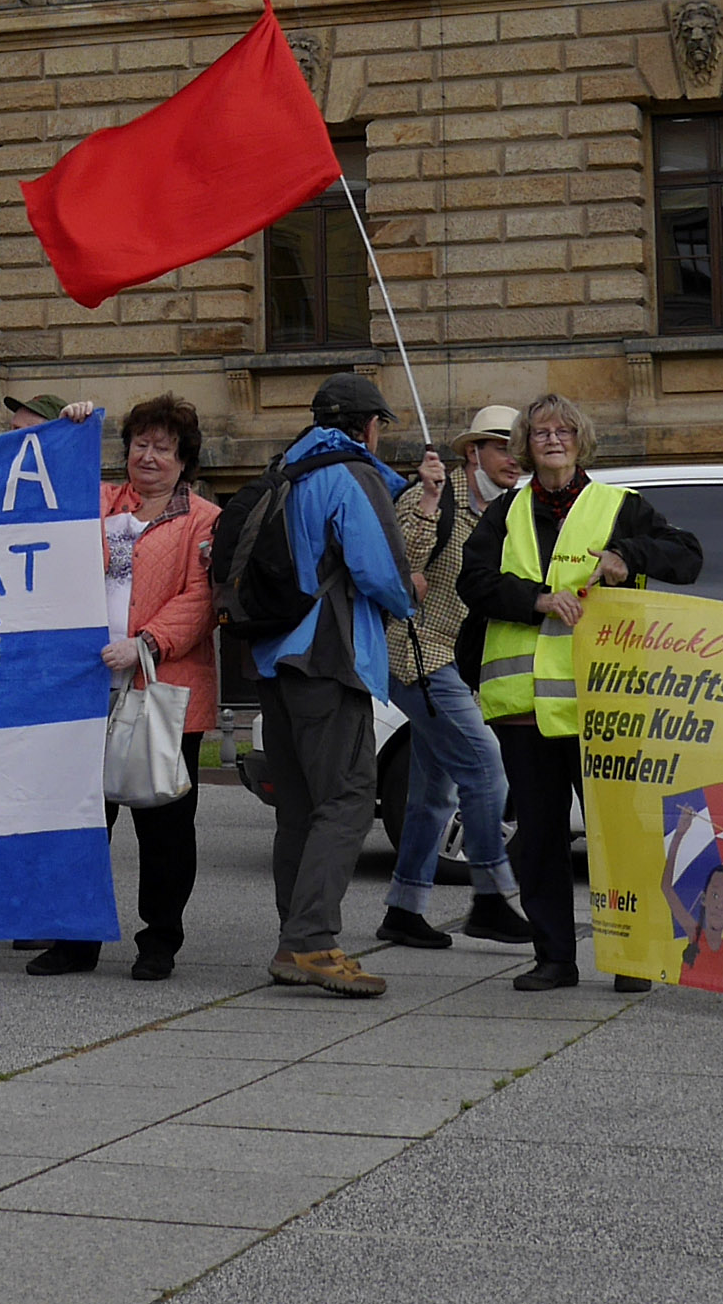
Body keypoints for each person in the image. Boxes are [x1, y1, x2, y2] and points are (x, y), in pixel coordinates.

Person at [461, 392, 701, 992]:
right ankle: (554, 959)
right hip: (527, 713)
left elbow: (688, 557)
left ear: (581, 440)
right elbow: (475, 581)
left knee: (619, 837)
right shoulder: (506, 512)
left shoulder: (620, 507)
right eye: (540, 432)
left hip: (605, 707)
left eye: (564, 430)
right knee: (540, 840)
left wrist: (627, 556)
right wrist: (537, 598)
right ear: (526, 444)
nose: (552, 440)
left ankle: (630, 959)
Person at [30, 393, 217, 980]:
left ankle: (158, 940)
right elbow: (46, 495)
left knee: (163, 827)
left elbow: (201, 598)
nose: (150, 456)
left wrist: (147, 643)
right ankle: (75, 939)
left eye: (164, 447)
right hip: (87, 689)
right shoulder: (103, 501)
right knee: (83, 821)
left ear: (184, 459)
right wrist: (70, 430)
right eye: (141, 444)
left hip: (162, 691)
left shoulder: (204, 520)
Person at [250, 372, 415, 998]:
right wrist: (409, 600)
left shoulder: (282, 472)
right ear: (367, 426)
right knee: (346, 799)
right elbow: (381, 571)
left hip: (272, 662)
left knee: (297, 810)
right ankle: (314, 941)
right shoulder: (350, 471)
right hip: (328, 659)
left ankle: (295, 940)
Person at [374, 416, 523, 957]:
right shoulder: (434, 494)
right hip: (415, 650)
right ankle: (490, 896)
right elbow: (397, 566)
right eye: (500, 447)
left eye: (518, 449)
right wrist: (429, 498)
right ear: (472, 452)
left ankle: (404, 909)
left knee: (433, 790)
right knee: (485, 765)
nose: (514, 458)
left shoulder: (507, 508)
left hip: (456, 660)